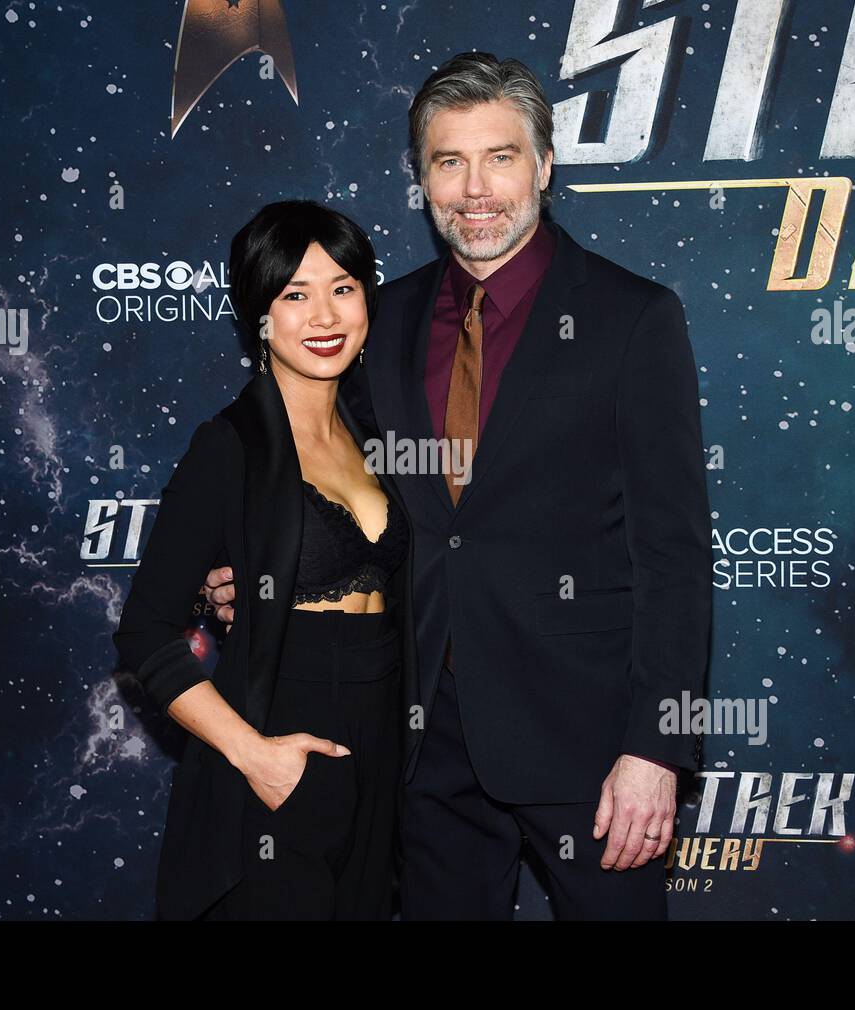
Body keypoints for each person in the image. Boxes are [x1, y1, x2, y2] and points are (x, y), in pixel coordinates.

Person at [204, 52, 712, 920]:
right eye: (450, 161)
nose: (476, 189)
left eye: (501, 157)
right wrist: (254, 567)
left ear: (545, 167)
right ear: (422, 179)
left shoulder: (634, 318)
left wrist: (657, 749)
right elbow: (331, 477)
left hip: (588, 744)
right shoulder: (380, 316)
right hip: (420, 739)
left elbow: (673, 551)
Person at [112, 200, 414, 920]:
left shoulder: (384, 433)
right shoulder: (229, 447)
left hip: (384, 748)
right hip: (280, 747)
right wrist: (258, 757)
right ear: (260, 315)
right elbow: (146, 634)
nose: (324, 316)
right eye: (295, 294)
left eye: (343, 288)